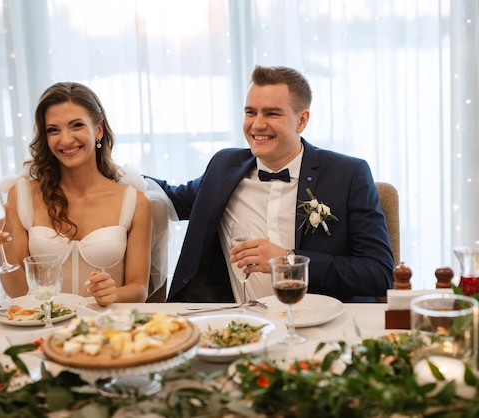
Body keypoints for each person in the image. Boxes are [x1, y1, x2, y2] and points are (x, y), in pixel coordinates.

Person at [151, 65, 394, 303]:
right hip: (245, 328)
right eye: (250, 112)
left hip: (325, 326)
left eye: (272, 113)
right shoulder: (224, 166)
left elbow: (379, 274)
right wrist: (115, 172)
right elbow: (170, 197)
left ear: (301, 120)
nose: (257, 125)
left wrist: (287, 260)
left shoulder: (348, 174)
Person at [0, 82, 152, 306]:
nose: (66, 140)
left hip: (106, 332)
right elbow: (18, 292)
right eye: (53, 130)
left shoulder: (135, 202)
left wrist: (113, 294)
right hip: (44, 328)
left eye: (76, 125)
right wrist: (4, 245)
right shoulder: (21, 196)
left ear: (98, 130)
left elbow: (139, 289)